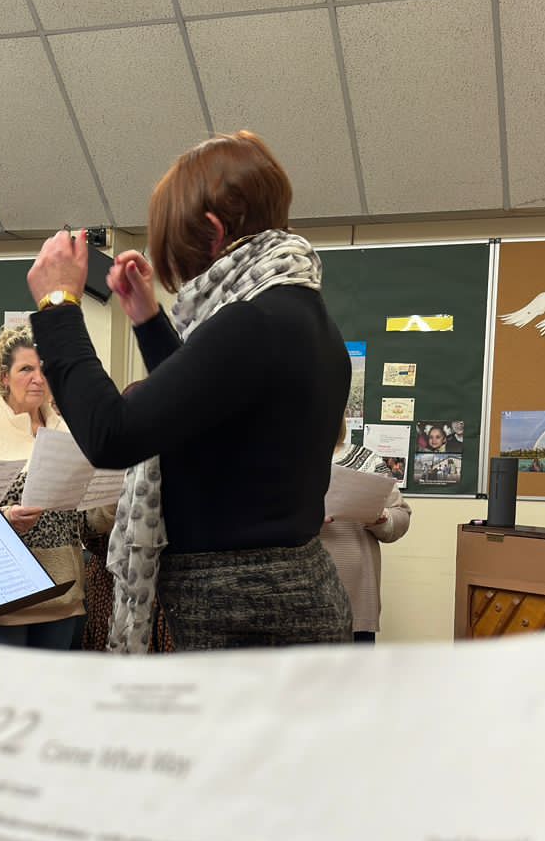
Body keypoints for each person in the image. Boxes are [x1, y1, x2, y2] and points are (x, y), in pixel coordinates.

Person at [24, 131, 354, 651]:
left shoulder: (251, 321)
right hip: (285, 590)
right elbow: (202, 411)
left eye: (179, 253)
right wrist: (148, 321)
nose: (181, 274)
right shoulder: (297, 312)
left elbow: (114, 435)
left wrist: (59, 308)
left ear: (214, 231)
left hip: (244, 605)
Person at [0, 325, 88, 649]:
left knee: (50, 685)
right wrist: (5, 518)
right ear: (4, 377)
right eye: (26, 369)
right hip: (2, 602)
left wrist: (112, 492)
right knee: (3, 685)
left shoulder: (68, 432)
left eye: (44, 369)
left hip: (62, 597)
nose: (38, 379)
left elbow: (86, 521)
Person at [321, 435, 412, 643]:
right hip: (294, 597)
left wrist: (382, 518)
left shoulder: (367, 460)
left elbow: (402, 516)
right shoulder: (282, 459)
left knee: (357, 663)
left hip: (356, 600)